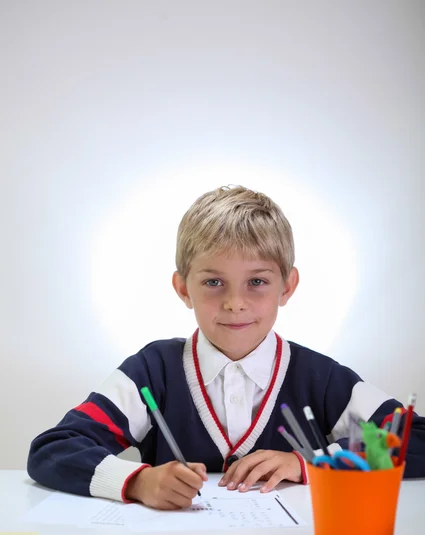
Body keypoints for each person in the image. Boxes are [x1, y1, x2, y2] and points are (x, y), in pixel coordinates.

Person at [27, 185, 425, 510]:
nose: (235, 303)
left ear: (287, 287)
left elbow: (417, 438)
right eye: (214, 282)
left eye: (257, 282)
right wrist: (137, 482)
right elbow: (52, 450)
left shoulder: (319, 378)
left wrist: (308, 462)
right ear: (184, 288)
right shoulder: (153, 370)